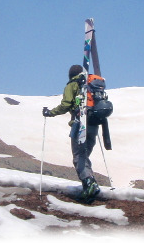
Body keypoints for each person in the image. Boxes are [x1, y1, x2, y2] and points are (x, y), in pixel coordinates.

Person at [42, 64, 100, 202]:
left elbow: (66, 104)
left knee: (79, 156)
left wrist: (50, 113)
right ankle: (90, 187)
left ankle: (90, 185)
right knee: (84, 156)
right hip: (94, 124)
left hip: (80, 124)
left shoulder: (73, 84)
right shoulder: (91, 85)